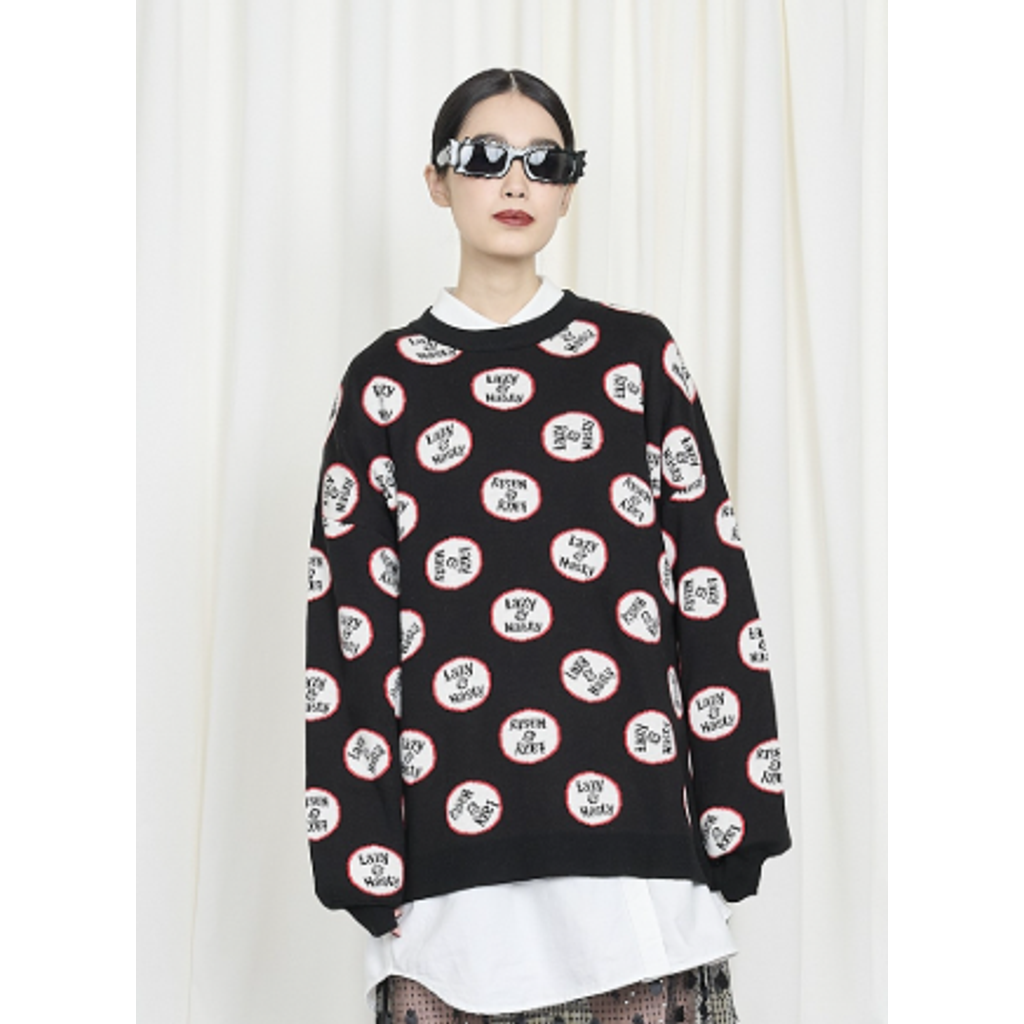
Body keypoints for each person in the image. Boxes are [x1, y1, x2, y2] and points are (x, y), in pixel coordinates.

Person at [305, 68, 790, 1024]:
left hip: (636, 860)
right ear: (437, 180)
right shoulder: (383, 386)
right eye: (485, 157)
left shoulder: (637, 359)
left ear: (570, 188)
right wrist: (360, 851)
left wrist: (737, 810)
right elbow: (350, 627)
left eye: (546, 161)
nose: (516, 180)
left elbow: (711, 587)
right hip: (453, 877)